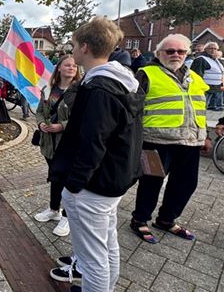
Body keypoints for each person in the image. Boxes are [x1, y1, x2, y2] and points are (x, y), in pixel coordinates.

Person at [50, 17, 144, 292]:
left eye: (75, 44)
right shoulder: (122, 80)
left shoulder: (99, 88)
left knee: (92, 258)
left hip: (94, 185)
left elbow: (93, 143)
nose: (73, 49)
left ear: (86, 47)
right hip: (112, 179)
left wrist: (75, 185)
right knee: (106, 244)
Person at [130, 34, 209, 244]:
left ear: (187, 53)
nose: (176, 55)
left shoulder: (195, 77)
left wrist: (206, 135)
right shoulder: (145, 74)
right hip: (155, 141)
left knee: (186, 183)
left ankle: (166, 219)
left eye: (181, 51)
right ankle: (139, 220)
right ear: (159, 54)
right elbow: (132, 108)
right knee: (151, 182)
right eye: (170, 51)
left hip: (190, 142)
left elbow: (199, 107)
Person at [34, 55, 81, 238]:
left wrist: (62, 126)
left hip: (68, 144)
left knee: (67, 180)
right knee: (55, 177)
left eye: (75, 65)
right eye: (67, 65)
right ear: (59, 68)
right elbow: (39, 112)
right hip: (49, 143)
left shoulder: (80, 92)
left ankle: (68, 217)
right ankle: (54, 209)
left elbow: (82, 118)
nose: (72, 68)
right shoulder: (48, 90)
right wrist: (40, 124)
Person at [191, 42, 224, 111]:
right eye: (211, 48)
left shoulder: (216, 60)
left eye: (215, 49)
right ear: (205, 49)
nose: (213, 50)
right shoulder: (201, 59)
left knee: (213, 110)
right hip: (206, 88)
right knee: (201, 107)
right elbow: (197, 74)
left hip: (217, 88)